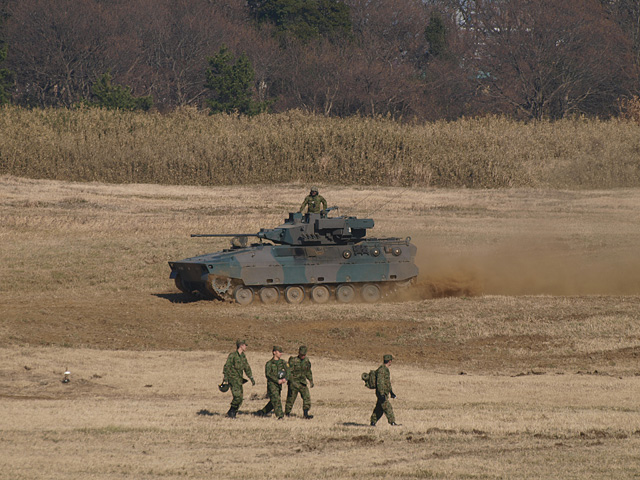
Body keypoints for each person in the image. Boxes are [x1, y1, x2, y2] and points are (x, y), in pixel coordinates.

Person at [222, 339, 256, 418]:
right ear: (241, 346)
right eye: (245, 345)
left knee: (240, 398)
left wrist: (251, 377)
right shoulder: (233, 355)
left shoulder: (243, 356)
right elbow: (227, 367)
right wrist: (226, 379)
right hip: (232, 379)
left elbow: (247, 367)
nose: (246, 347)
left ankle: (232, 412)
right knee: (237, 397)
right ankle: (232, 412)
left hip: (239, 380)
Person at [254, 346, 290, 419]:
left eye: (281, 352)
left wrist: (285, 379)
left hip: (279, 386)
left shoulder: (283, 362)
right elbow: (268, 374)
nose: (281, 353)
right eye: (279, 352)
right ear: (274, 352)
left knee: (273, 401)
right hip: (272, 385)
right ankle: (280, 416)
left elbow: (288, 371)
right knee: (276, 399)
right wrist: (277, 380)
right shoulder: (269, 364)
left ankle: (262, 412)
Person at [285, 345, 314, 419]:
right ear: (299, 353)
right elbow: (288, 372)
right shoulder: (293, 360)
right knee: (291, 399)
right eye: (301, 355)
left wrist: (311, 380)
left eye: (304, 355)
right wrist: (291, 382)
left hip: (302, 382)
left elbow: (308, 371)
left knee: (307, 398)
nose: (303, 356)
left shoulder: (306, 361)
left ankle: (305, 414)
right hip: (294, 383)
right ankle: (287, 413)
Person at [370, 354, 398, 426]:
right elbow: (380, 383)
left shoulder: (385, 369)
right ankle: (392, 422)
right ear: (390, 361)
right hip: (381, 393)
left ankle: (373, 422)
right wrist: (381, 393)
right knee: (387, 407)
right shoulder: (382, 370)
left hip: (384, 392)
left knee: (379, 409)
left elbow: (387, 383)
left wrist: (391, 392)